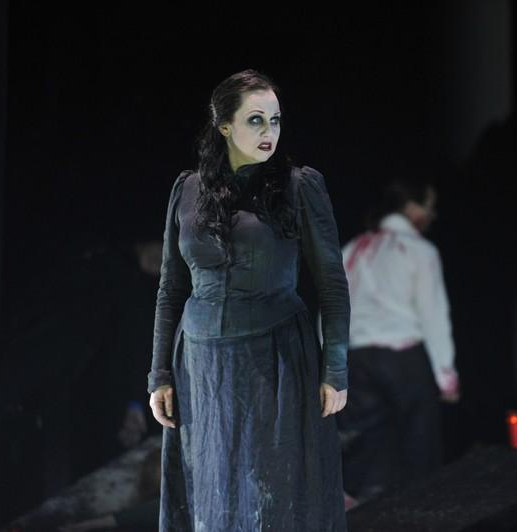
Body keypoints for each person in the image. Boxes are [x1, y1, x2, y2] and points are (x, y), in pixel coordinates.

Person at [146, 69, 350, 531]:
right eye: (255, 119)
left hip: (275, 359)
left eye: (275, 120)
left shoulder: (299, 186)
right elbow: (171, 288)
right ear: (224, 125)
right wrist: (159, 374)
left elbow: (332, 284)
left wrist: (335, 369)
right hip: (201, 367)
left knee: (272, 499)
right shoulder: (187, 190)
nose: (268, 131)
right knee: (211, 498)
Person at [335, 178, 460, 504]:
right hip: (404, 360)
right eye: (429, 207)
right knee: (419, 456)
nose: (432, 215)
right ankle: (421, 516)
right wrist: (446, 376)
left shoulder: (352, 249)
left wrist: (330, 370)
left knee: (365, 457)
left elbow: (330, 312)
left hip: (357, 362)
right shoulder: (419, 250)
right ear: (412, 207)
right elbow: (433, 315)